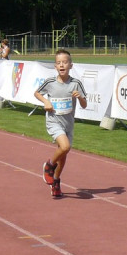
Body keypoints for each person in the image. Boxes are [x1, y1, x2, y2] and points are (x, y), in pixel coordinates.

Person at [34, 49, 88, 199]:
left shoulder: (76, 84)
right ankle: (49, 165)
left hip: (68, 124)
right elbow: (37, 93)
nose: (62, 65)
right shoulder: (50, 82)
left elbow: (84, 104)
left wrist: (80, 97)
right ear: (55, 66)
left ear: (71, 65)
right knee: (65, 147)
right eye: (59, 63)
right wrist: (46, 101)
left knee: (63, 154)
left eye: (65, 62)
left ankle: (56, 181)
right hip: (54, 121)